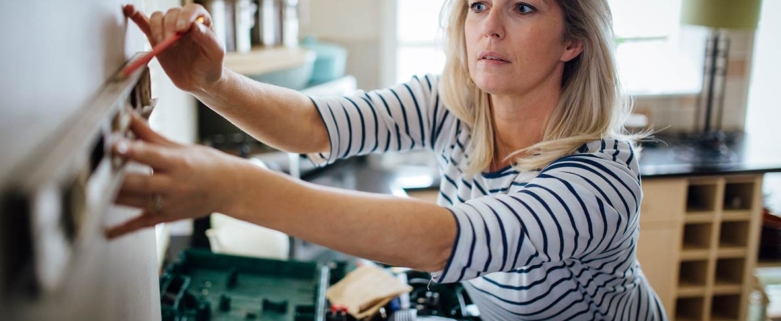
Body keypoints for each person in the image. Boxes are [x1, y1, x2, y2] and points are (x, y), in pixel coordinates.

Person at [109, 0, 666, 319]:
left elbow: (448, 241)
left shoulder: (600, 178)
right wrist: (212, 83)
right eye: (478, 4)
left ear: (574, 41)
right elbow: (315, 124)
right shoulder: (456, 104)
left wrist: (235, 189)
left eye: (522, 7)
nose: (489, 25)